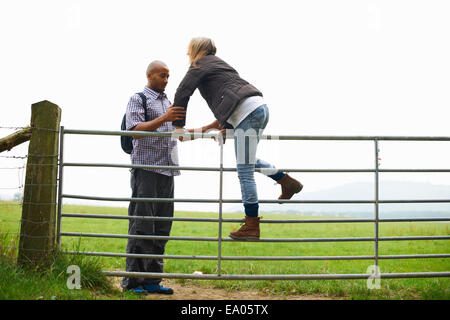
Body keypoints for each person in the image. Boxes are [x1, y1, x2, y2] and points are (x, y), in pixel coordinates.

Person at [172, 37, 303, 241]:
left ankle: (251, 225)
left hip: (248, 113)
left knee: (244, 171)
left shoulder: (199, 64)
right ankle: (286, 181)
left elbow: (182, 92)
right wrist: (226, 125)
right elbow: (231, 94)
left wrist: (178, 126)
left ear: (195, 50)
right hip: (258, 108)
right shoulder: (220, 64)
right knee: (248, 162)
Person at [121, 60, 186, 294]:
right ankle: (132, 281)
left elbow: (178, 134)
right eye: (162, 75)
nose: (166, 80)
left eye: (168, 76)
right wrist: (164, 118)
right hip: (146, 170)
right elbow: (134, 131)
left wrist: (209, 127)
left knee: (161, 227)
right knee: (142, 226)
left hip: (168, 171)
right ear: (150, 76)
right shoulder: (138, 99)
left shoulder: (168, 102)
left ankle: (152, 280)